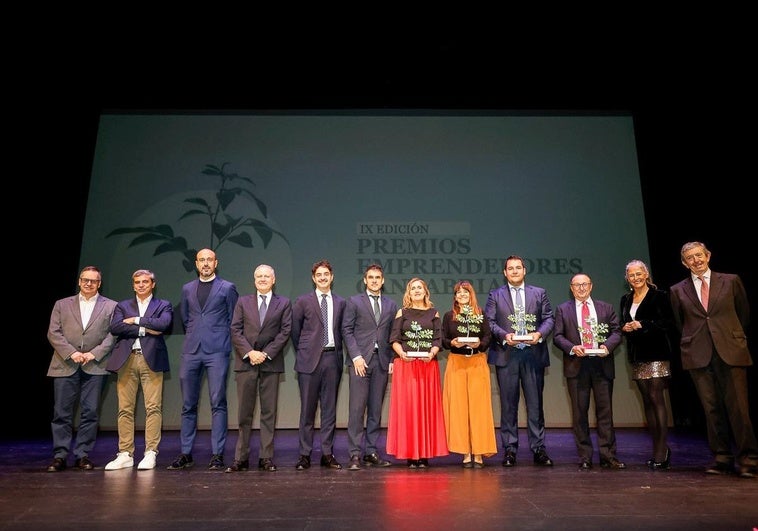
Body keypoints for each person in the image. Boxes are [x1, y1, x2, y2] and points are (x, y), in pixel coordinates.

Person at [670, 241, 758, 478]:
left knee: (739, 408)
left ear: (708, 256)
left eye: (699, 255)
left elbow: (743, 314)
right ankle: (722, 458)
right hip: (698, 354)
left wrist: (728, 337)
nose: (696, 260)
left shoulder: (730, 281)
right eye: (690, 258)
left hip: (730, 350)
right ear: (683, 262)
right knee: (711, 409)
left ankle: (749, 459)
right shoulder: (678, 290)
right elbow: (681, 323)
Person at [167, 249, 239, 472]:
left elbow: (233, 319)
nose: (206, 263)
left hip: (217, 351)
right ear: (196, 264)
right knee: (188, 404)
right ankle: (186, 453)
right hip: (191, 351)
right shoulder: (187, 288)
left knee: (218, 402)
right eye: (202, 260)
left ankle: (217, 454)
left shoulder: (227, 287)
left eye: (209, 260)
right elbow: (187, 317)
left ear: (216, 263)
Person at [45, 266, 118, 472]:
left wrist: (93, 354)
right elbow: (53, 333)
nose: (89, 284)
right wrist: (72, 353)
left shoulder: (111, 306)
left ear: (99, 283)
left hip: (95, 365)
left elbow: (113, 335)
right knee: (61, 413)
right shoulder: (62, 304)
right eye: (85, 280)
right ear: (79, 281)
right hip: (65, 364)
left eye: (93, 281)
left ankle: (82, 455)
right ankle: (59, 455)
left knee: (91, 412)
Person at [485, 255, 555, 467]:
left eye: (518, 268)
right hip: (507, 355)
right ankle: (510, 449)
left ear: (524, 271)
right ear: (505, 273)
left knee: (535, 405)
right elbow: (489, 321)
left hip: (533, 355)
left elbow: (549, 318)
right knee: (508, 406)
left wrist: (539, 335)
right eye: (510, 268)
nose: (514, 271)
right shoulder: (495, 295)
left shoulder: (539, 293)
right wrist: (505, 336)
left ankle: (538, 449)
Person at [553, 273, 625, 470]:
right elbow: (557, 336)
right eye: (577, 285)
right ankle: (585, 456)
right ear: (571, 288)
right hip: (577, 367)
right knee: (579, 414)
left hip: (602, 365)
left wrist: (606, 347)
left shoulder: (605, 308)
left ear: (591, 286)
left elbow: (616, 331)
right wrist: (572, 347)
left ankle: (608, 455)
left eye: (585, 284)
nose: (581, 288)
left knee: (605, 412)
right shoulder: (562, 309)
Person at [105, 269, 173, 470]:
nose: (141, 285)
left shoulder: (163, 305)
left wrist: (135, 320)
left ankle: (150, 452)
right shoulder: (123, 305)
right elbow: (116, 328)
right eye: (137, 282)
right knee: (125, 408)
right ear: (133, 285)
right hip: (126, 359)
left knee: (153, 407)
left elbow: (163, 324)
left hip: (151, 359)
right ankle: (125, 453)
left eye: (145, 281)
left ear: (153, 284)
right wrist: (146, 329)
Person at [227, 264, 292, 473]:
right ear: (254, 280)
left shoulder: (283, 303)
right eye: (259, 276)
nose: (263, 279)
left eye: (266, 276)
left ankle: (266, 457)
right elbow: (235, 330)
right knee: (244, 414)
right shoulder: (242, 302)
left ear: (274, 280)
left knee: (268, 413)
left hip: (270, 363)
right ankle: (241, 457)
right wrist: (250, 352)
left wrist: (265, 353)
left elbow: (285, 332)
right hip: (246, 363)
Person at [386, 277, 449, 468]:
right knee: (408, 409)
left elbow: (438, 339)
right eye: (413, 288)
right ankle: (410, 454)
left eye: (419, 287)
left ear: (425, 291)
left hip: (427, 366)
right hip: (406, 366)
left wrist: (431, 354)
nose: (416, 291)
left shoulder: (433, 313)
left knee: (426, 409)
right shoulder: (401, 312)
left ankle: (424, 454)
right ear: (408, 292)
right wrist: (402, 354)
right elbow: (394, 339)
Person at [342, 263, 398, 470]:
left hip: (381, 361)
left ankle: (371, 451)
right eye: (371, 277)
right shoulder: (354, 302)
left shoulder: (391, 305)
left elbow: (394, 335)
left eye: (378, 278)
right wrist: (356, 356)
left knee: (375, 409)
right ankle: (355, 454)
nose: (374, 280)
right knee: (357, 409)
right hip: (360, 362)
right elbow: (346, 331)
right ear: (365, 280)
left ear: (382, 281)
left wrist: (392, 359)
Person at [291, 259, 346, 470]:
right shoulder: (302, 301)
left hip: (333, 359)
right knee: (307, 410)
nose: (323, 277)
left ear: (332, 277)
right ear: (314, 278)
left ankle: (327, 453)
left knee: (329, 410)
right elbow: (295, 332)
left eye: (326, 274)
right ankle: (304, 455)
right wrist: (306, 351)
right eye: (319, 275)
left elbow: (343, 331)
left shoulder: (341, 303)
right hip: (308, 361)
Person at [620, 259, 674, 469]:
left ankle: (662, 451)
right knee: (647, 402)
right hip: (637, 355)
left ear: (646, 274)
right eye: (631, 275)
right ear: (627, 278)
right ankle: (658, 449)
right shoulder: (626, 299)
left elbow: (669, 323)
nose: (635, 277)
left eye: (638, 273)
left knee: (656, 397)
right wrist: (625, 328)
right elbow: (624, 323)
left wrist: (644, 324)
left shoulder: (659, 296)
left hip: (657, 353)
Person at [442, 280, 496, 468]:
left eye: (466, 292)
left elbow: (488, 337)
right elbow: (443, 339)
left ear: (471, 294)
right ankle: (465, 452)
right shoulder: (449, 316)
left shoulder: (480, 315)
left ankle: (479, 452)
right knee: (459, 409)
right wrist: (452, 343)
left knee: (479, 408)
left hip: (477, 362)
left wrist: (478, 345)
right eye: (459, 292)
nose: (462, 295)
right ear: (455, 297)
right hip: (456, 363)